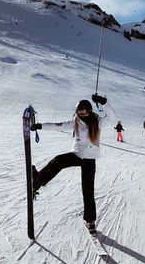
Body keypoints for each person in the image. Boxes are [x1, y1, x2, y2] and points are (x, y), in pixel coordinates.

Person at [30, 99, 107, 233]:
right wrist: (40, 126)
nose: (81, 114)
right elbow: (58, 126)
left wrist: (104, 102)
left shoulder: (98, 121)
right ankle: (38, 180)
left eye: (83, 111)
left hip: (90, 158)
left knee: (88, 190)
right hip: (78, 154)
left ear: (89, 110)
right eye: (79, 111)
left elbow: (111, 116)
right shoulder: (76, 121)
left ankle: (90, 220)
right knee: (58, 161)